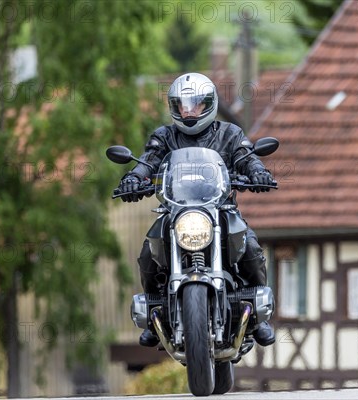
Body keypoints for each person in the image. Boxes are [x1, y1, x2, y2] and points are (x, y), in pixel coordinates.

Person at [118, 72, 276, 348]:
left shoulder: (229, 134)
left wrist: (258, 173)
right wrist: (134, 178)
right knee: (147, 254)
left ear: (209, 104)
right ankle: (155, 316)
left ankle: (259, 318)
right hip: (175, 214)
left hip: (220, 211)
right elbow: (148, 161)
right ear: (174, 107)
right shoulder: (164, 136)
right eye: (182, 105)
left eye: (195, 104)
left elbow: (245, 156)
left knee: (250, 247)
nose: (188, 111)